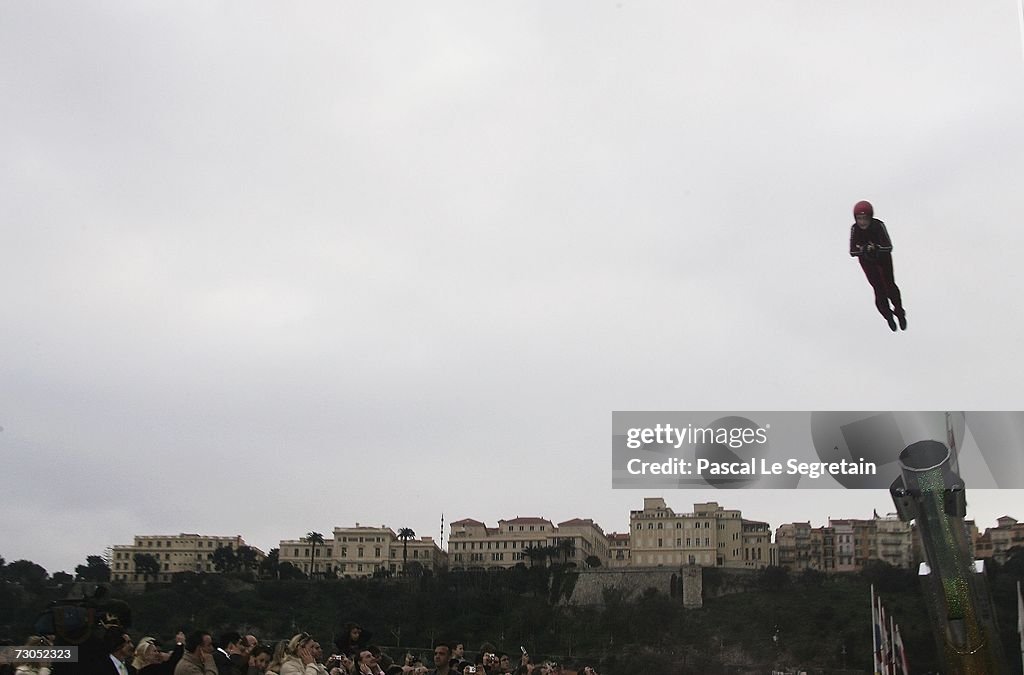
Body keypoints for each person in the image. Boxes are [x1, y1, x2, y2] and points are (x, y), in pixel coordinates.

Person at [849, 200, 906, 331]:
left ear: (870, 217)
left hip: (882, 259)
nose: (862, 222)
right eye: (859, 219)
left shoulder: (878, 225)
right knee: (878, 289)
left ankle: (899, 311)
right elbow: (852, 251)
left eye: (865, 219)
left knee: (889, 285)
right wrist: (863, 249)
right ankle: (888, 315)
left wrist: (876, 248)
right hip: (867, 262)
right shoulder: (855, 229)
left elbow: (888, 247)